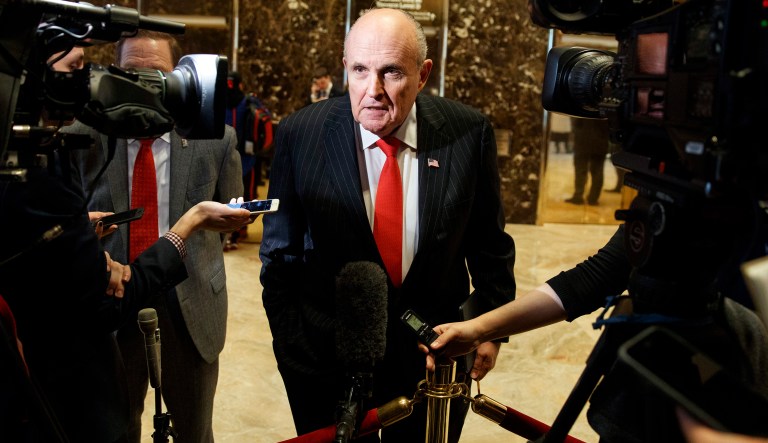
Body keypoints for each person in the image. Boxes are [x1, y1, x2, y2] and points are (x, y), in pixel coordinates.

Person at [260, 8, 516, 442]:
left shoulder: (467, 133)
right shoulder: (300, 134)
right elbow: (279, 256)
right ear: (346, 68)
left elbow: (491, 249)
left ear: (423, 73)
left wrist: (486, 330)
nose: (373, 90)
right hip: (326, 361)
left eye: (392, 72)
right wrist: (293, 350)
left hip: (435, 359)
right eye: (360, 69)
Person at [423, 219, 768, 441]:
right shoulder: (668, 200)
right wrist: (480, 329)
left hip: (739, 384)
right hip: (633, 410)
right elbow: (596, 277)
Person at [67, 30, 243, 443]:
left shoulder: (217, 138)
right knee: (114, 428)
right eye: (131, 75)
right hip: (110, 301)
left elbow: (233, 213)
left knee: (194, 431)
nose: (145, 89)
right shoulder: (81, 137)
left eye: (159, 76)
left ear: (181, 79)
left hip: (191, 304)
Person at [224, 70, 273, 250]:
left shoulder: (217, 101)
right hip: (247, 158)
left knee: (226, 193)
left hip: (223, 156)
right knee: (246, 194)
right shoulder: (249, 102)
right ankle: (240, 231)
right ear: (241, 84)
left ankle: (227, 232)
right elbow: (266, 121)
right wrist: (262, 149)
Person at [565, 117, 610, 206]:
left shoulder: (583, 104)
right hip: (600, 142)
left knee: (581, 169)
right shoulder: (604, 107)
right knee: (597, 171)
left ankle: (578, 195)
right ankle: (593, 198)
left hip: (582, 140)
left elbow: (576, 122)